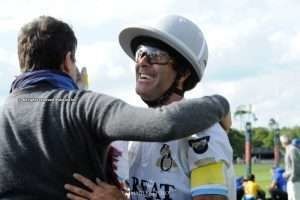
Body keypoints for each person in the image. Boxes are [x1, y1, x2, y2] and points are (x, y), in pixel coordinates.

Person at [0, 15, 231, 199]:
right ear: (68, 61)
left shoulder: (203, 133)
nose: (142, 61)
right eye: (140, 54)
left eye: (154, 55)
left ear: (184, 73)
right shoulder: (136, 138)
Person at [280, 135, 300, 200]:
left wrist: (292, 178)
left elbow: (296, 165)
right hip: (291, 180)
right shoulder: (290, 149)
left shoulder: (292, 150)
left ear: (283, 142)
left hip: (295, 180)